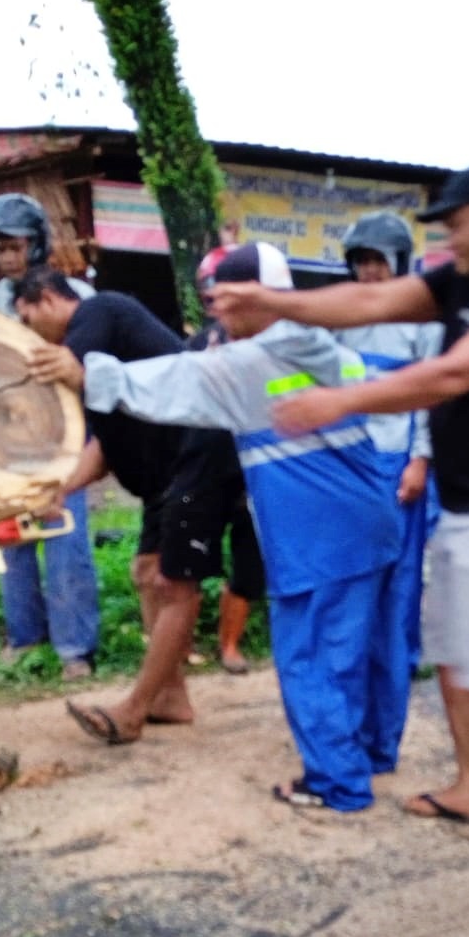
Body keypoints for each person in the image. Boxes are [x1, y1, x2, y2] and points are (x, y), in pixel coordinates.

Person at [214, 163, 469, 859]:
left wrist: (341, 401)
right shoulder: (465, 280)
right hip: (466, 505)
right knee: (453, 654)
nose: (447, 238)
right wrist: (273, 300)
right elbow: (367, 305)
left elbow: (451, 374)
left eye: (456, 223)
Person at [30, 242, 399, 813]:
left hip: (319, 537)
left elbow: (180, 379)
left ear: (265, 297)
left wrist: (89, 372)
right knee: (364, 647)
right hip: (361, 522)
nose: (218, 312)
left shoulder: (265, 356)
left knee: (313, 655)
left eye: (230, 299)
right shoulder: (312, 346)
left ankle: (337, 783)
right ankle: (373, 752)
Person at [11, 265, 201, 744]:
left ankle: (134, 711)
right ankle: (170, 696)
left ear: (49, 300)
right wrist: (61, 488)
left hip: (196, 458)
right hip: (167, 477)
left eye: (27, 319)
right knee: (145, 573)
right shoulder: (99, 374)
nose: (28, 334)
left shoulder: (100, 311)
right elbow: (106, 449)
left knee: (171, 582)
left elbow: (71, 363)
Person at [0, 193, 99, 680]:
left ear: (38, 244)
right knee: (11, 535)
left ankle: (75, 650)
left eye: (15, 246)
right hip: (7, 436)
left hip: (66, 433)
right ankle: (25, 639)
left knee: (66, 535)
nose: (7, 256)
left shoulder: (76, 299)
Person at [334, 211, 443, 769]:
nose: (371, 273)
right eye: (362, 262)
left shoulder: (422, 321)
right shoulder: (340, 319)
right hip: (350, 470)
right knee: (349, 606)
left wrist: (420, 459)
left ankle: (383, 741)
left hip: (400, 471)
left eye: (379, 261)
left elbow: (430, 396)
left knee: (394, 610)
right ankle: (346, 731)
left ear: (400, 262)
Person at [186, 246, 265, 674]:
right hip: (208, 468)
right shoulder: (197, 345)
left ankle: (230, 646)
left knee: (250, 565)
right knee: (191, 561)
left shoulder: (271, 343)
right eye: (212, 290)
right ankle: (180, 646)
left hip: (254, 470)